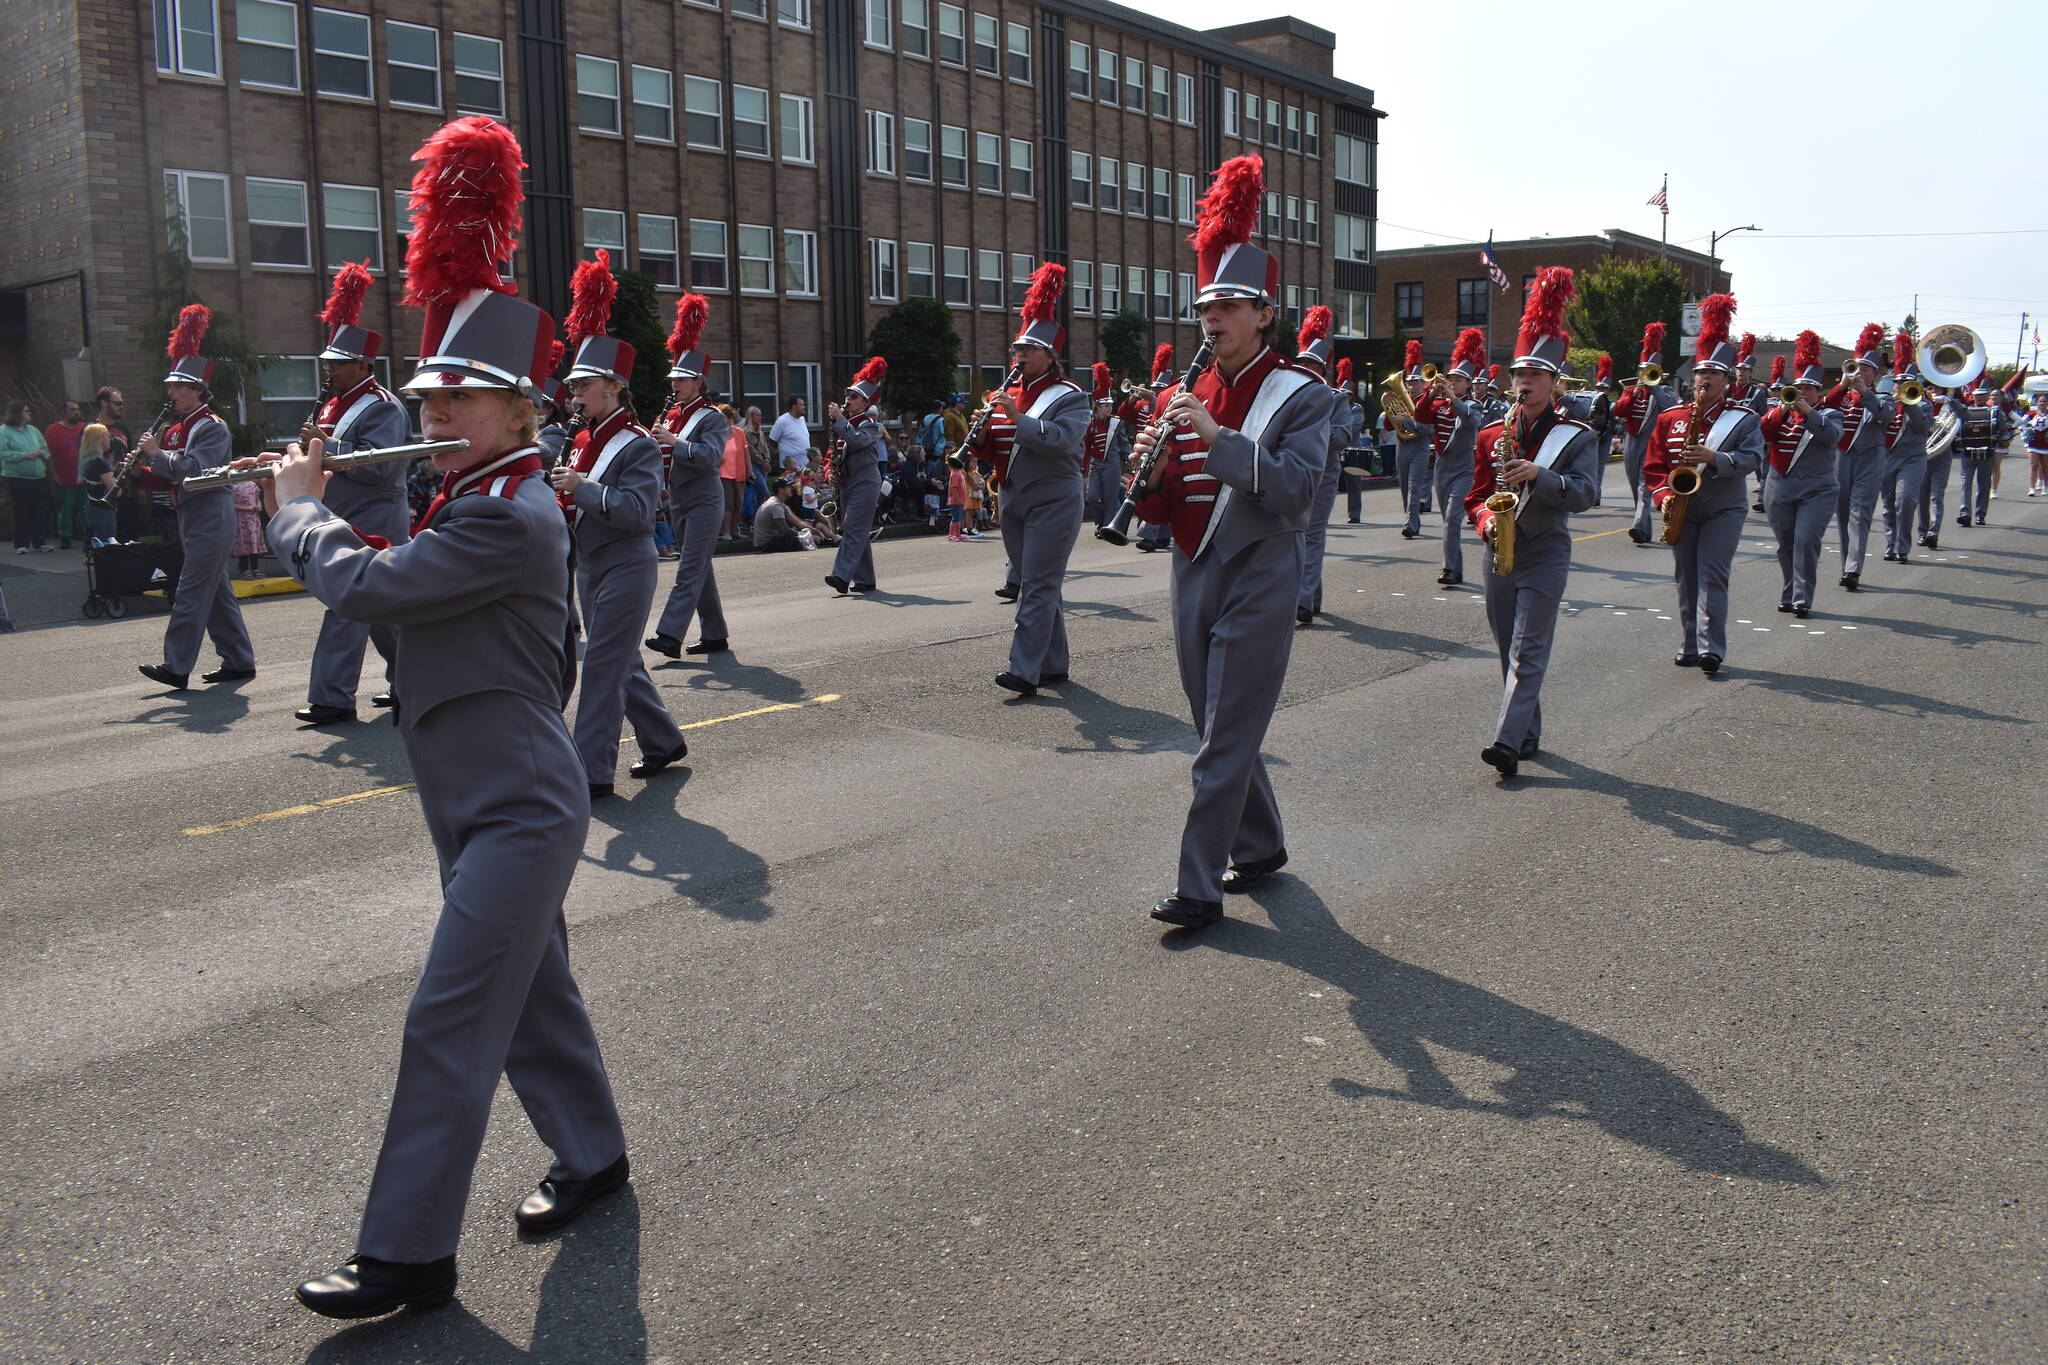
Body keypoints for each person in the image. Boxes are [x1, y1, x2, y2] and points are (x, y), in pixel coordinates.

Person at [278, 117, 628, 1322]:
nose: (432, 408)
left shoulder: (507, 510)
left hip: (519, 799)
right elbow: (406, 599)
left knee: (448, 1014)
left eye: (456, 397)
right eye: (428, 389)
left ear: (513, 411)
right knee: (530, 995)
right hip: (469, 787)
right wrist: (348, 519)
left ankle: (408, 1253)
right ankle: (594, 1155)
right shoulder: (469, 499)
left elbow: (369, 591)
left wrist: (298, 513)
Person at [1133, 155, 1333, 928]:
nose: (1212, 318)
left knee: (1221, 736)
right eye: (1206, 304)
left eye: (1229, 304)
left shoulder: (1302, 396)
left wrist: (1216, 436)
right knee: (1211, 720)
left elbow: (1295, 490)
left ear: (1264, 314)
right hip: (1192, 572)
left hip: (1260, 569)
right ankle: (1262, 844)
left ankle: (1199, 884)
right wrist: (1142, 480)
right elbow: (1169, 502)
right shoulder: (1186, 391)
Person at [550, 251, 689, 799]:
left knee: (605, 666)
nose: (574, 394)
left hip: (627, 564)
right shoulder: (582, 439)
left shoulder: (637, 444)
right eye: (575, 387)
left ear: (612, 386)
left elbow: (637, 513)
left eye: (584, 386)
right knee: (622, 663)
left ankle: (590, 771)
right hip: (590, 563)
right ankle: (663, 741)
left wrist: (578, 487)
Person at [1461, 268, 1604, 780]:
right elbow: (1475, 495)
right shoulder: (1491, 433)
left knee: (1528, 649)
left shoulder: (1576, 435)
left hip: (1545, 551)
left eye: (1535, 375)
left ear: (1554, 382)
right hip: (1498, 551)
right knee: (1508, 649)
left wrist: (1541, 476)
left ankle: (1505, 742)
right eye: (1519, 374)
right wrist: (1484, 523)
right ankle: (1527, 729)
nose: (1524, 383)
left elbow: (1585, 494)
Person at [296, 261, 414, 726]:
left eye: (337, 365)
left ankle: (332, 697)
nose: (330, 372)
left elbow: (381, 464)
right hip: (340, 510)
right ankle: (415, 681)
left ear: (362, 365)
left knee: (345, 604)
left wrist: (324, 446)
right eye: (328, 364)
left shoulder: (383, 406)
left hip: (376, 514)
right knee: (382, 611)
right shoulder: (332, 403)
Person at [972, 263, 1088, 698]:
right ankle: (1054, 663)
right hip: (1012, 498)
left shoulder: (1072, 397)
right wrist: (980, 433)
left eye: (1028, 349)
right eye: (1016, 348)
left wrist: (1016, 418)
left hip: (1054, 499)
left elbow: (1061, 441)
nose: (1018, 356)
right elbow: (996, 450)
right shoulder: (1005, 397)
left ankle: (1023, 669)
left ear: (1050, 356)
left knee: (1034, 585)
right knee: (1040, 581)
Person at [1640, 295, 1765, 675]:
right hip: (1682, 508)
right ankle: (1689, 641)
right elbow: (1654, 465)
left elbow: (1753, 458)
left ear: (1726, 380)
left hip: (1724, 507)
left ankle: (1712, 647)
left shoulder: (1743, 419)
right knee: (1685, 578)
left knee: (1712, 573)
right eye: (1700, 373)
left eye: (1713, 374)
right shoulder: (1671, 417)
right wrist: (1662, 496)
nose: (1705, 379)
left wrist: (1716, 459)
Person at [135, 307, 256, 691]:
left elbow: (194, 468)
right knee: (216, 593)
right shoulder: (175, 429)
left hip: (211, 512)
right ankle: (238, 660)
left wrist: (156, 454)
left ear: (198, 390)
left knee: (190, 589)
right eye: (171, 387)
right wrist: (138, 474)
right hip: (188, 512)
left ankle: (176, 665)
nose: (171, 393)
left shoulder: (212, 427)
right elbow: (168, 477)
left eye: (178, 387)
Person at [645, 294, 732, 659]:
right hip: (678, 500)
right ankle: (715, 634)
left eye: (681, 380)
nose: (674, 386)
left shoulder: (711, 417)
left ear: (698, 381)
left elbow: (712, 458)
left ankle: (669, 635)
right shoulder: (674, 415)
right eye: (673, 379)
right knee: (700, 571)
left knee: (689, 569)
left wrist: (674, 441)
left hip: (704, 499)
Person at [1760, 331, 1843, 619]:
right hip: (1779, 487)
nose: (1802, 392)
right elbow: (1764, 432)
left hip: (1816, 490)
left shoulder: (1830, 414)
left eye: (1808, 388)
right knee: (1785, 545)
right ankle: (1789, 589)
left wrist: (1808, 412)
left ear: (1818, 391)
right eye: (1799, 387)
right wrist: (1783, 409)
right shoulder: (1779, 413)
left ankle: (1802, 597)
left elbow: (1832, 437)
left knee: (1805, 540)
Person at [1291, 308, 1362, 621]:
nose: (1306, 370)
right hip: (1292, 471)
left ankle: (1303, 599)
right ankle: (1312, 595)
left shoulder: (1335, 399)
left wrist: (1313, 432)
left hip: (1323, 472)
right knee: (1296, 532)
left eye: (1312, 365)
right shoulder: (1290, 395)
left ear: (1322, 369)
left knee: (1313, 532)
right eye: (1302, 364)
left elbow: (1344, 435)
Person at [1417, 327, 1486, 589]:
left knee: (1452, 520)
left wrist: (1449, 396)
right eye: (1451, 378)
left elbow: (1471, 421)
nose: (1453, 383)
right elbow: (1421, 417)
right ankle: (1455, 569)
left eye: (1458, 380)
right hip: (1442, 468)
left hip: (1464, 469)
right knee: (1447, 521)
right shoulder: (1441, 404)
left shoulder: (1473, 405)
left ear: (1468, 384)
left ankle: (1448, 568)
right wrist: (1430, 394)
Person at [1827, 324, 1893, 592]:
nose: (1859, 373)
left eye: (1865, 369)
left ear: (1875, 374)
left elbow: (1886, 416)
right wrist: (1843, 386)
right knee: (1843, 514)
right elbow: (1824, 407)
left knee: (1859, 514)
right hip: (1841, 458)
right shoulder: (1841, 396)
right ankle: (1847, 565)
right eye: (1856, 368)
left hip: (1869, 459)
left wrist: (1865, 393)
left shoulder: (1883, 397)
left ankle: (1853, 568)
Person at [824, 356, 889, 594]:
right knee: (856, 528)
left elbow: (857, 441)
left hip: (866, 480)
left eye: (853, 397)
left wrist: (840, 421)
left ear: (865, 403)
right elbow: (835, 452)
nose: (847, 400)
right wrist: (831, 473)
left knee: (853, 526)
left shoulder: (870, 424)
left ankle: (841, 577)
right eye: (847, 395)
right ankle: (865, 579)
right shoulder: (845, 423)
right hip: (848, 481)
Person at [1611, 322, 1676, 545]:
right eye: (1643, 370)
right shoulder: (1630, 390)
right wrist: (1634, 392)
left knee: (1643, 484)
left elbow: (1670, 408)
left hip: (1652, 443)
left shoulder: (1664, 390)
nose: (1644, 374)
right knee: (1634, 484)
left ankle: (1638, 525)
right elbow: (1618, 411)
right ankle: (1645, 527)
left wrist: (1655, 387)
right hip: (1632, 441)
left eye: (1649, 371)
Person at [1879, 333, 1933, 565]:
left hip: (1913, 458)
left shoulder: (1924, 405)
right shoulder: (1886, 402)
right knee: (1888, 504)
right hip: (1887, 457)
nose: (1901, 386)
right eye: (1899, 383)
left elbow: (1923, 427)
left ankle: (1903, 547)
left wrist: (1909, 404)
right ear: (1894, 383)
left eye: (1907, 384)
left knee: (1906, 501)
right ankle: (1891, 545)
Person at [1390, 342, 1431, 539]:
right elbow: (1390, 426)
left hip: (1419, 447)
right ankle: (1414, 520)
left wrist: (1407, 420)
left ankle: (1410, 524)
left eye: (1415, 382)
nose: (1411, 385)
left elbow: (1428, 429)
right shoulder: (1401, 398)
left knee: (1415, 486)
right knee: (1404, 487)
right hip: (1402, 446)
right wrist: (1390, 415)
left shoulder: (1428, 402)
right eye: (1409, 382)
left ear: (1424, 383)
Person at [3, 400, 52, 553]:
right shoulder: (4, 431)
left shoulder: (33, 430)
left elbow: (44, 448)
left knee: (37, 510)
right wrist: (25, 455)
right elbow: (3, 452)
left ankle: (39, 542)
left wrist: (42, 454)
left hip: (37, 476)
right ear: (17, 414)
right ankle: (21, 544)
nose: (29, 413)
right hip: (17, 477)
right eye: (26, 411)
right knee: (20, 510)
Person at [1952, 385, 1998, 526]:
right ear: (1973, 397)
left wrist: (2004, 437)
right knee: (1966, 484)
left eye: (1982, 396)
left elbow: (2003, 428)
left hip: (1987, 453)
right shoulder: (1965, 411)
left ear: (1987, 397)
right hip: (1967, 452)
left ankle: (1980, 515)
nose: (1979, 398)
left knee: (1984, 485)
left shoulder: (1994, 412)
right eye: (1976, 396)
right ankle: (1965, 513)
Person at [45, 399, 86, 549]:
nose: (77, 412)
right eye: (72, 409)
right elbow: (48, 454)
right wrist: (53, 474)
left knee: (85, 508)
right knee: (65, 509)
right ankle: (65, 536)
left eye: (78, 409)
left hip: (82, 477)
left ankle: (88, 535)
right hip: (63, 476)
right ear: (64, 412)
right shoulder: (53, 430)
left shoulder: (84, 428)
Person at [79, 423, 117, 546]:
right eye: (107, 436)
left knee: (93, 547)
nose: (109, 439)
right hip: (103, 512)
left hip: (91, 509)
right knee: (106, 548)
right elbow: (115, 490)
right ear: (99, 439)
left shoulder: (87, 460)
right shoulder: (99, 463)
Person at [752, 474, 807, 550]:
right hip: (766, 542)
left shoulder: (780, 502)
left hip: (773, 538)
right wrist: (802, 535)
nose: (791, 488)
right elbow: (785, 529)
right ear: (781, 490)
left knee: (802, 539)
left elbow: (793, 522)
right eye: (788, 487)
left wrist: (807, 531)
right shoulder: (776, 505)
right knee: (798, 541)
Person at [768, 394, 811, 472]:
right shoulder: (782, 421)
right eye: (801, 405)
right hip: (789, 467)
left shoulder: (802, 419)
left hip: (804, 465)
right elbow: (772, 440)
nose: (804, 407)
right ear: (794, 406)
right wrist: (783, 448)